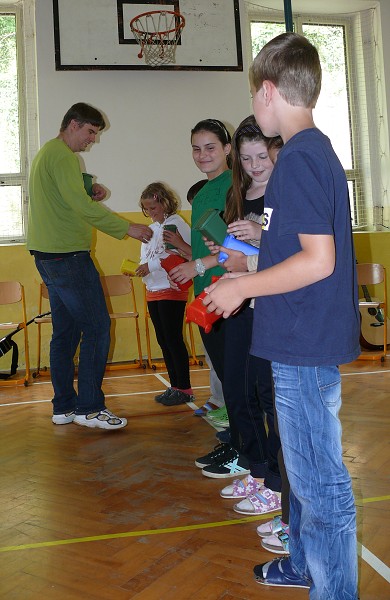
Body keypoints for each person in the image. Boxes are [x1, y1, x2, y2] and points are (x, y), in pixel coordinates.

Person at [203, 32, 360, 598]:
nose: (252, 106)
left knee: (320, 485)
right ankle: (303, 564)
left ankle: (334, 589)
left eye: (252, 95)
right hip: (299, 336)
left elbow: (319, 262)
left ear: (267, 90)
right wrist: (249, 264)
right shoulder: (311, 152)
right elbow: (300, 247)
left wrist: (242, 288)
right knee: (303, 474)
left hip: (303, 343)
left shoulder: (298, 157)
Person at [27, 102, 153, 430]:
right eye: (90, 132)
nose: (92, 140)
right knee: (97, 327)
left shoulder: (49, 154)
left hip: (48, 255)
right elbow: (80, 206)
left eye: (95, 135)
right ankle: (90, 409)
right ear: (73, 124)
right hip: (68, 256)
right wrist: (128, 228)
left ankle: (64, 407)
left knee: (65, 333)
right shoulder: (62, 156)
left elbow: (67, 195)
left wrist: (88, 184)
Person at [137, 182, 193, 406]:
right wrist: (141, 268)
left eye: (154, 208)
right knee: (163, 340)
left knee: (173, 339)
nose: (151, 213)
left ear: (165, 202)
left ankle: (185, 388)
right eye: (147, 209)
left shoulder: (175, 223)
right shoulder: (153, 229)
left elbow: (179, 253)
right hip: (154, 289)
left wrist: (149, 267)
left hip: (171, 288)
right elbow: (148, 255)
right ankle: (174, 386)